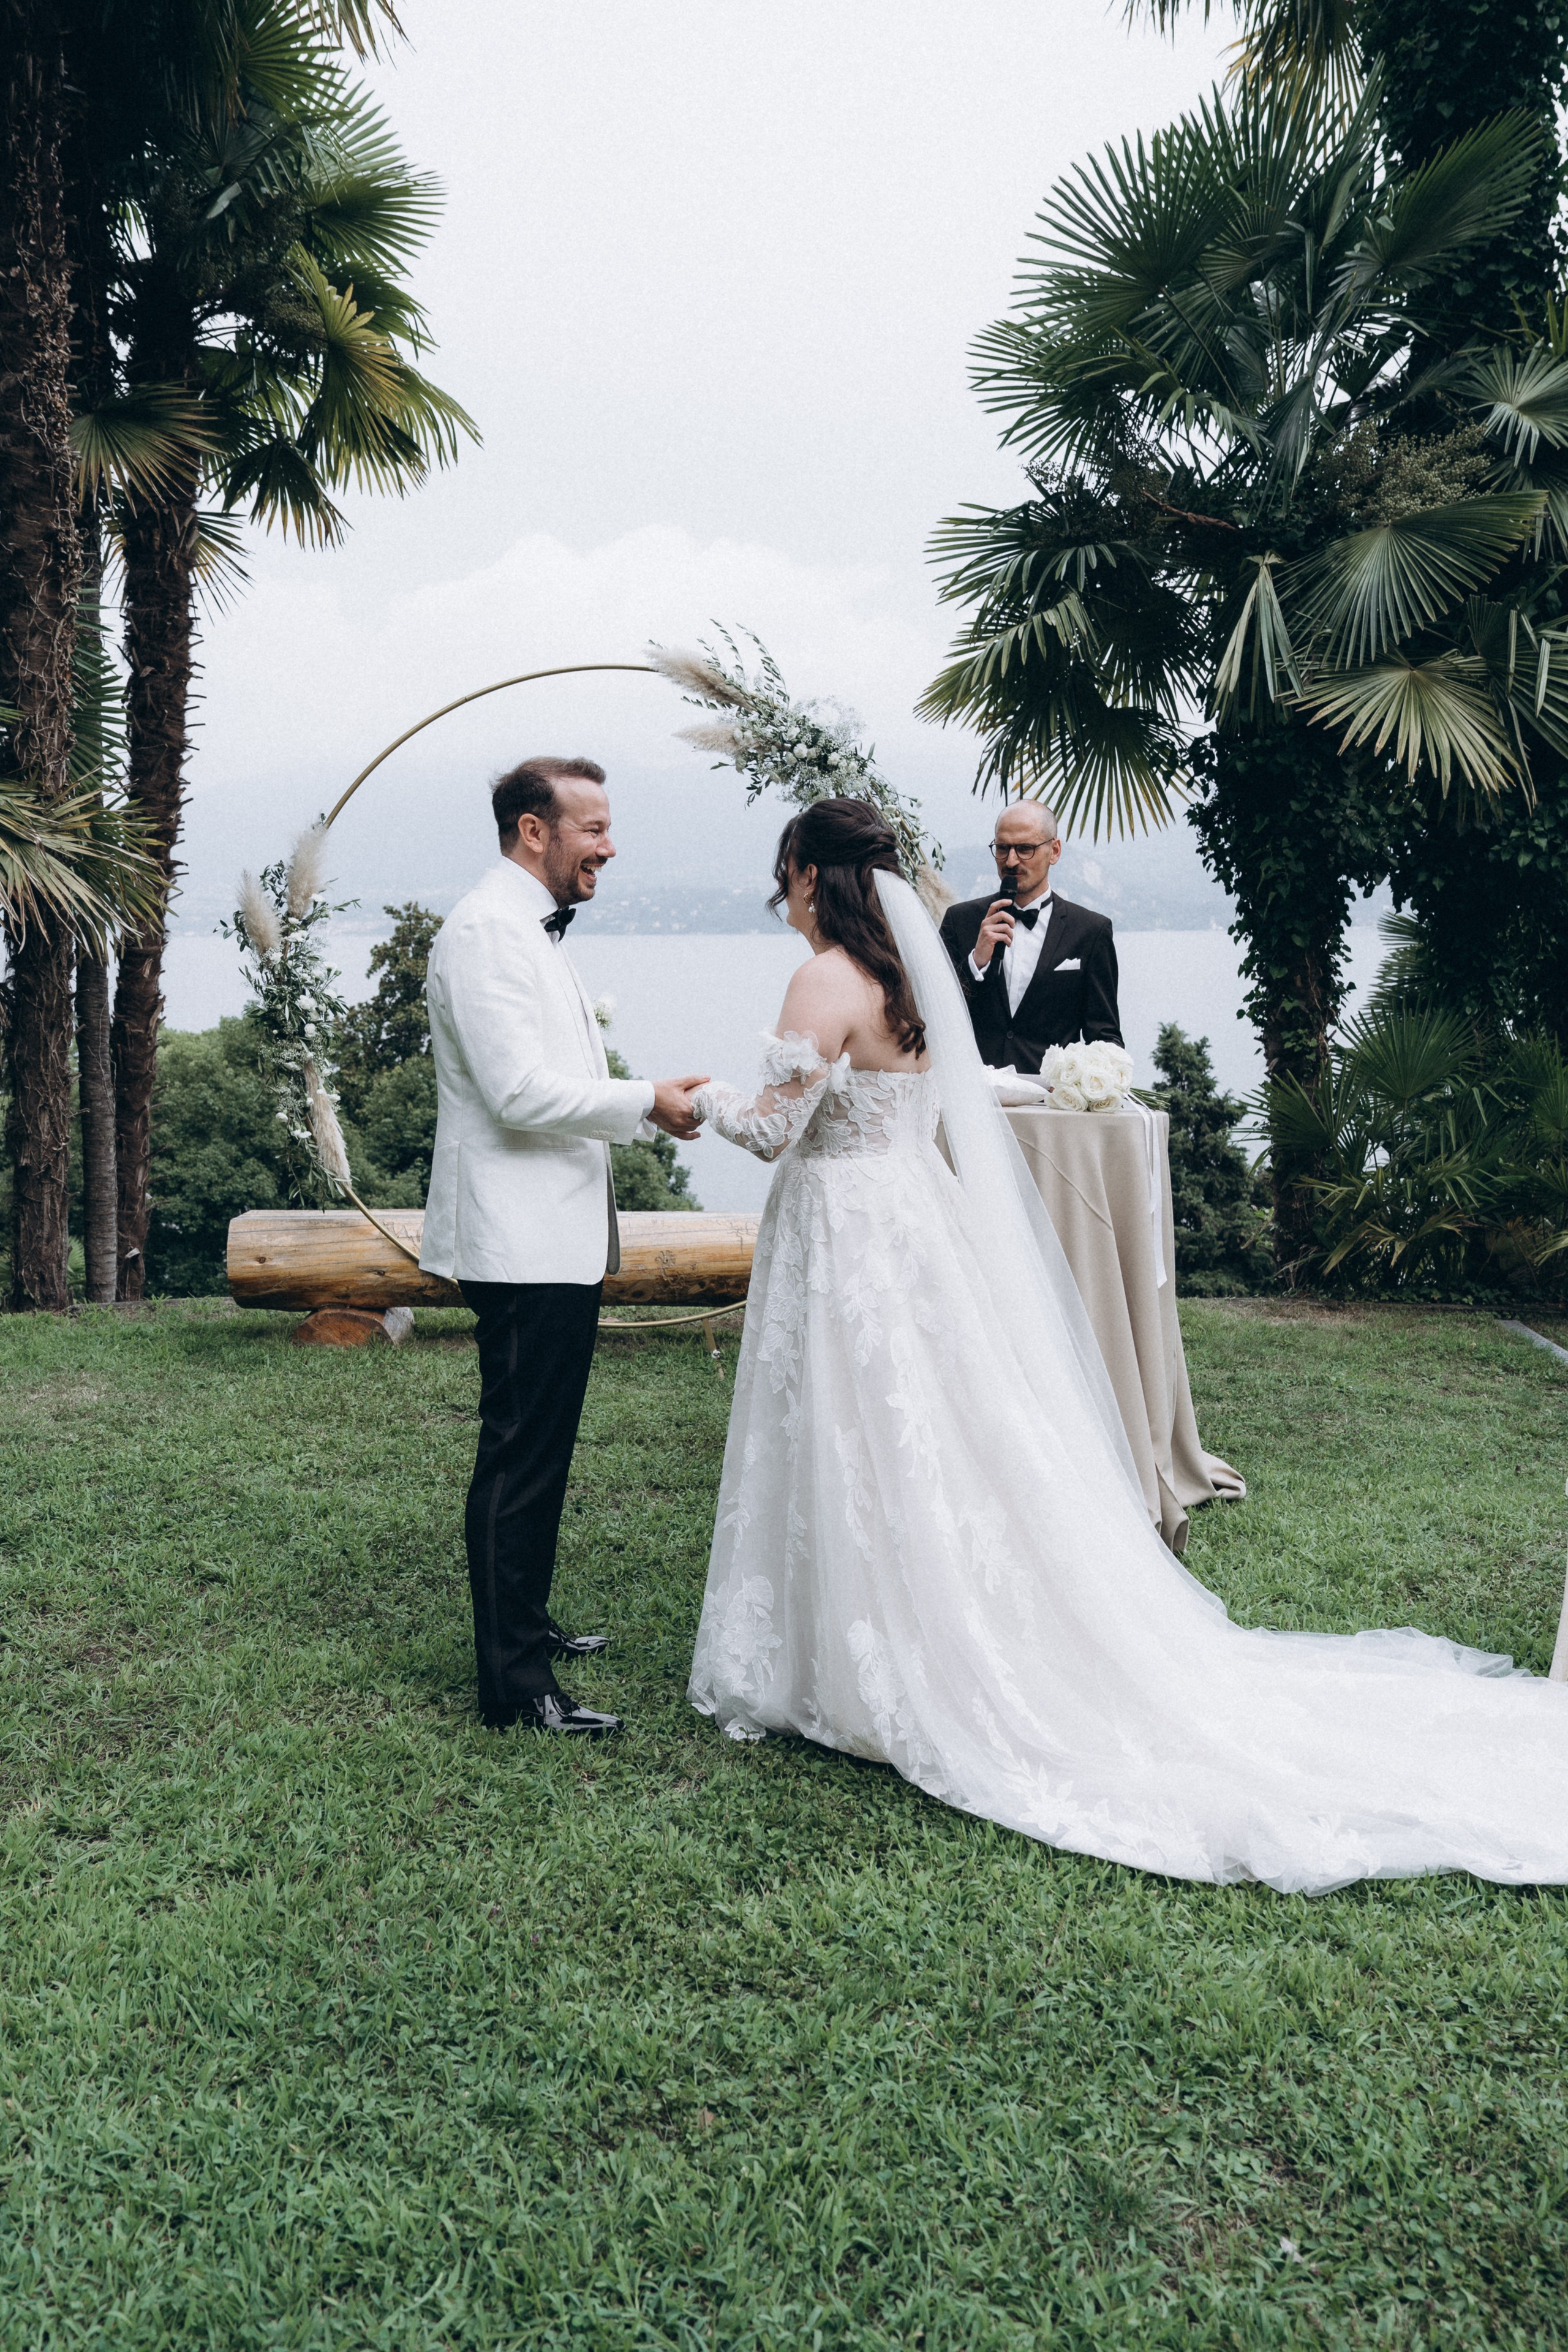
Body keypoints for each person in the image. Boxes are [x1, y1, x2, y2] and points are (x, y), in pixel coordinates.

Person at [686, 794, 1568, 1893]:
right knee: (925, 1432)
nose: (785, 893)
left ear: (814, 873)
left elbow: (774, 1130)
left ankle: (870, 1658)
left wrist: (691, 1099)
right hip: (912, 1224)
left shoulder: (825, 978)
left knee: (860, 1426)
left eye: (789, 872)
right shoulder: (914, 975)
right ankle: (885, 1633)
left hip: (850, 1230)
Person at [421, 755, 707, 1735]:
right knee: (518, 1458)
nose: (610, 845)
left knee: (543, 1450)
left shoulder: (526, 926)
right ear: (534, 831)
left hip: (553, 1237)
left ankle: (528, 1625)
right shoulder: (486, 932)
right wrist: (646, 1104)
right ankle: (514, 1689)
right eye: (593, 827)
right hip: (518, 1241)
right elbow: (517, 1093)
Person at [938, 801, 1122, 1072]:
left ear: (1054, 851)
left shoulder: (1090, 931)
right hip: (973, 1098)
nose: (1011, 861)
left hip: (1048, 1106)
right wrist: (976, 963)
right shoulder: (959, 920)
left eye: (1025, 849)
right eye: (1003, 849)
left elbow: (1106, 1039)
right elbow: (932, 1014)